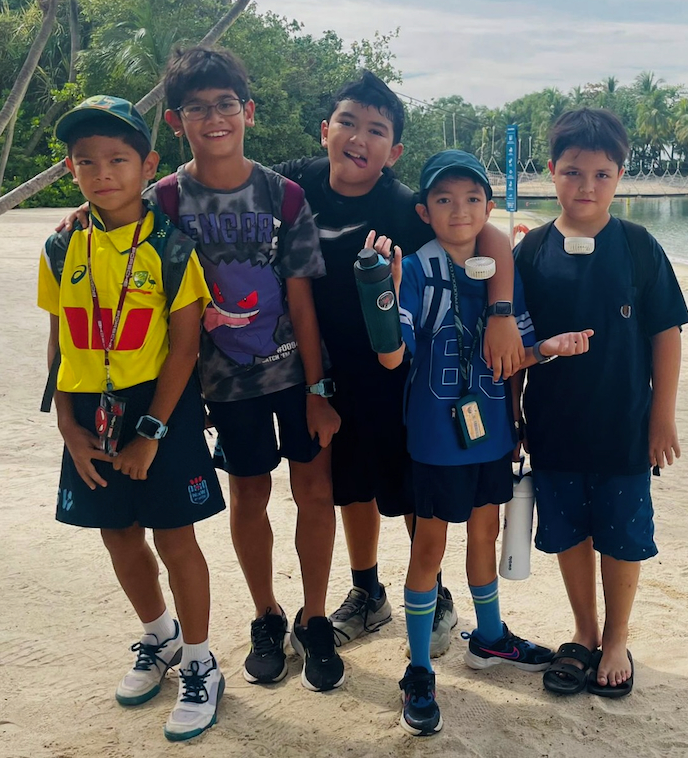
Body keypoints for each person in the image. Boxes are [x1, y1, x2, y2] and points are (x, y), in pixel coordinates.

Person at [270, 72, 525, 658]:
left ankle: (433, 593)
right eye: (348, 123)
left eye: (376, 130)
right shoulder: (295, 182)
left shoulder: (403, 207)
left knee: (411, 488)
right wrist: (109, 204)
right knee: (351, 487)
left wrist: (502, 313)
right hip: (322, 365)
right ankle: (367, 592)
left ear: (394, 151)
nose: (359, 139)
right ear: (325, 130)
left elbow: (486, 233)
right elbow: (223, 182)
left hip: (398, 372)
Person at [370, 149, 593, 736]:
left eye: (472, 198)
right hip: (436, 438)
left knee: (485, 531)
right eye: (444, 199)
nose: (459, 210)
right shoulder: (418, 269)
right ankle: (419, 667)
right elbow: (392, 356)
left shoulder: (499, 274)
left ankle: (489, 636)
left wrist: (547, 351)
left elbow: (514, 355)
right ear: (424, 211)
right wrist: (382, 294)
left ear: (489, 208)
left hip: (491, 431)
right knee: (428, 548)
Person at [158, 45, 344, 692]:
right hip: (225, 384)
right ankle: (266, 614)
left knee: (314, 492)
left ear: (249, 112)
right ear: (175, 120)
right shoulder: (164, 202)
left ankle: (315, 618)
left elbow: (302, 299)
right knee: (249, 495)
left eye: (226, 104)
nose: (214, 119)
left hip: (295, 375)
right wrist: (78, 220)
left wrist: (319, 389)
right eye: (197, 108)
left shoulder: (282, 196)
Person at [38, 96, 224, 741]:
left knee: (174, 538)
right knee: (117, 532)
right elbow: (59, 342)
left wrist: (151, 433)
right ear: (70, 169)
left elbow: (185, 348)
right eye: (86, 161)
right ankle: (159, 635)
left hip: (157, 409)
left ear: (148, 165)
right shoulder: (61, 247)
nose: (102, 173)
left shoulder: (171, 248)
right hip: (89, 410)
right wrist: (67, 425)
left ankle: (200, 662)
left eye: (118, 159)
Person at [513, 108, 688, 699]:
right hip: (554, 425)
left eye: (601, 174)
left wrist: (662, 417)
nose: (586, 186)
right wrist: (515, 415)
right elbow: (513, 341)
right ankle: (584, 632)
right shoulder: (531, 252)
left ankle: (616, 637)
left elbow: (666, 334)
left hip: (624, 425)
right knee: (568, 533)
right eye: (572, 172)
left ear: (619, 176)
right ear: (551, 171)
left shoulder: (638, 247)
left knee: (621, 534)